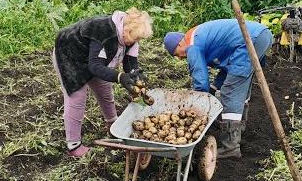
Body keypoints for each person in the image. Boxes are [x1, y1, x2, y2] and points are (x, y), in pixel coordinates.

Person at [163, 19, 272, 159]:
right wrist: (213, 89)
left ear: (178, 44)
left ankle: (231, 147)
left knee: (229, 92)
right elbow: (228, 69)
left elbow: (200, 79)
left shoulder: (192, 45)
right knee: (239, 85)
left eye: (176, 54)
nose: (179, 58)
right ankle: (239, 127)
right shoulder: (199, 36)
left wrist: (200, 102)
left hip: (250, 39)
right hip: (262, 35)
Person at [53, 8, 153, 157]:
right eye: (134, 38)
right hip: (70, 55)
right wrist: (120, 77)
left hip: (94, 59)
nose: (135, 42)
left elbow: (130, 63)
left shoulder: (131, 37)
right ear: (125, 29)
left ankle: (113, 124)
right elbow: (94, 66)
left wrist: (135, 75)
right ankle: (73, 145)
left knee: (105, 88)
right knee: (77, 98)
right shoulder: (104, 32)